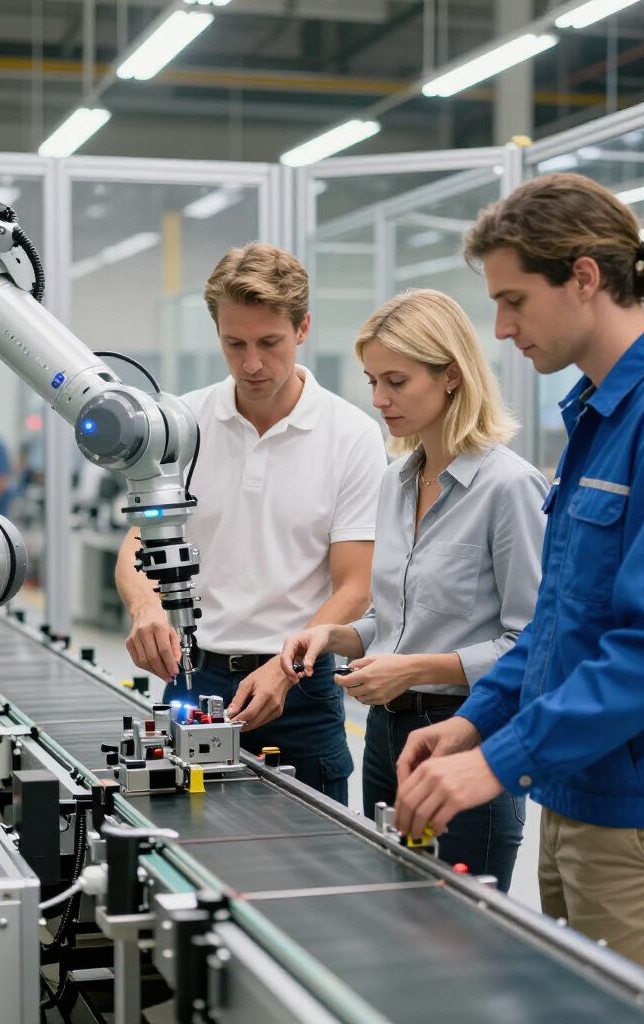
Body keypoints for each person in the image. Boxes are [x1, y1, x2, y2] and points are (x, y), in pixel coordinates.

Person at [394, 173, 644, 992]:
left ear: (585, 278)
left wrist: (501, 761)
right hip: (581, 785)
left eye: (514, 301)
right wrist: (476, 723)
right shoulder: (602, 415)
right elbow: (562, 617)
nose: (501, 330)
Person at [280, 289, 546, 890]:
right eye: (373, 381)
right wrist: (333, 635)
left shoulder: (509, 489)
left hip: (467, 734)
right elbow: (393, 620)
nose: (379, 399)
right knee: (390, 908)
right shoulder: (396, 481)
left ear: (451, 375)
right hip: (385, 737)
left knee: (458, 927)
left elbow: (532, 645)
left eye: (396, 381)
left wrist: (413, 669)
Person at [115, 242, 387, 803]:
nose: (252, 364)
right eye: (234, 344)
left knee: (312, 845)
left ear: (303, 328)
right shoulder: (182, 424)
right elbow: (139, 542)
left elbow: (355, 585)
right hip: (193, 675)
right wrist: (145, 607)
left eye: (269, 342)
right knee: (184, 835)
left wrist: (285, 669)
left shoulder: (351, 435)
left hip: (300, 686)